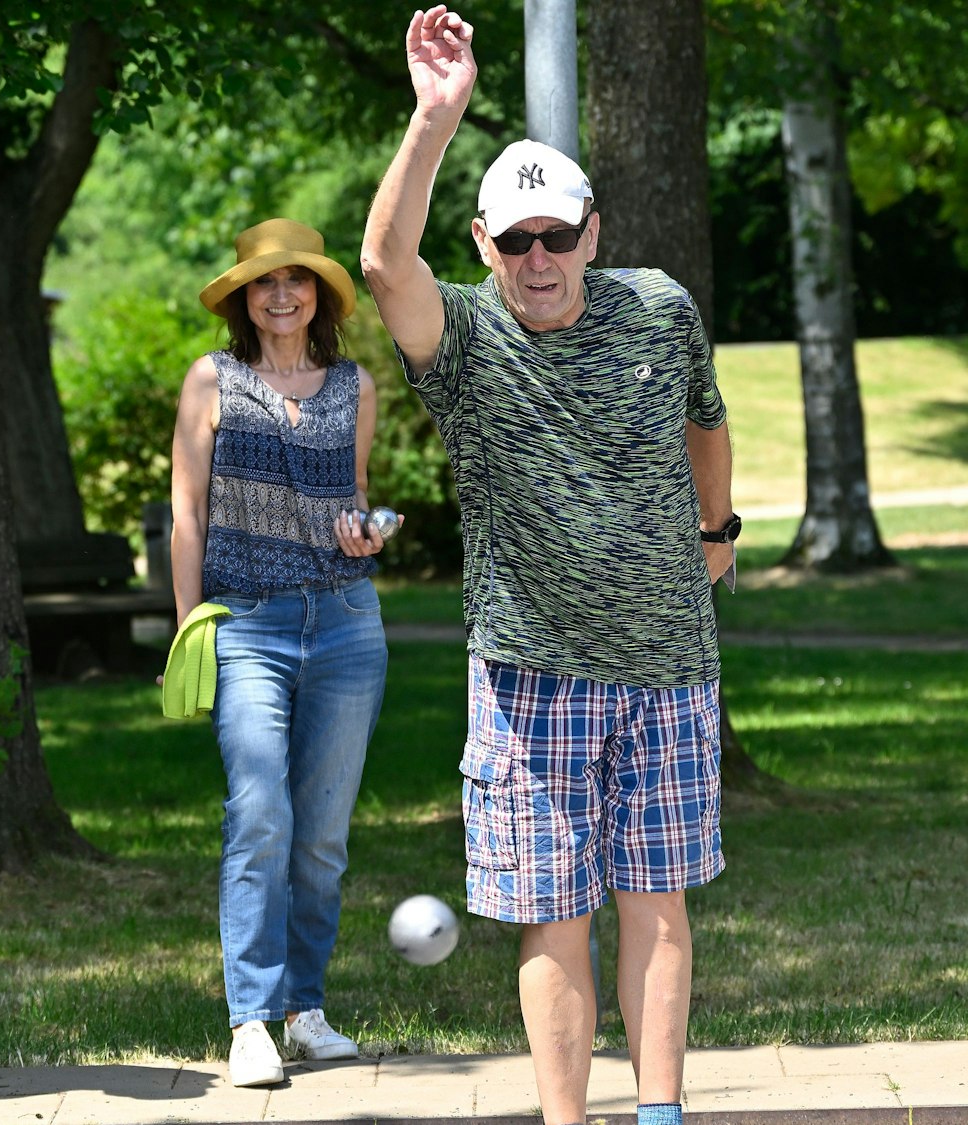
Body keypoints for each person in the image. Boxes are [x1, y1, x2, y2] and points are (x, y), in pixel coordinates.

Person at [360, 10, 737, 1125]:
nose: (538, 261)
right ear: (484, 244)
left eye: (557, 237)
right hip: (530, 679)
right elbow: (382, 263)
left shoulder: (660, 308)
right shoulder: (466, 341)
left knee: (658, 903)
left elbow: (705, 420)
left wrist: (715, 530)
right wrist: (435, 117)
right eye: (516, 240)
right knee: (552, 914)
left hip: (669, 663)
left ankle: (659, 1113)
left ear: (590, 233)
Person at [168, 219, 392, 1088]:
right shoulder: (212, 380)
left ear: (320, 295)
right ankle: (252, 1021)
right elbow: (187, 513)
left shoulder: (354, 386)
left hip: (346, 622)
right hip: (247, 624)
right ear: (244, 298)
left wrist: (364, 531)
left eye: (296, 280)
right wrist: (190, 626)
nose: (282, 294)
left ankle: (305, 1011)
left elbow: (354, 496)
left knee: (323, 837)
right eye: (265, 282)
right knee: (259, 814)